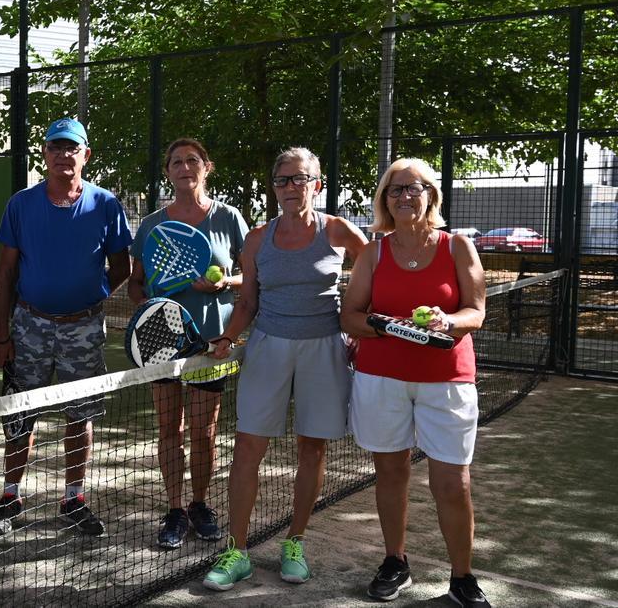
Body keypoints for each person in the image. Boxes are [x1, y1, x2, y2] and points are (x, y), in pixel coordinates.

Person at [203, 147, 367, 591]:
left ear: (317, 183)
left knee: (312, 449)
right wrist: (229, 336)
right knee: (247, 447)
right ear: (274, 187)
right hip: (268, 347)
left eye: (300, 179)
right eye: (283, 180)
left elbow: (375, 273)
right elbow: (248, 300)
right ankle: (236, 551)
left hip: (324, 350)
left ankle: (294, 542)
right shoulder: (257, 238)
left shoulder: (338, 230)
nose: (291, 188)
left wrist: (360, 322)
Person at [340, 158, 489, 607]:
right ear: (385, 200)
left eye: (414, 188)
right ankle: (395, 561)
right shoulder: (374, 251)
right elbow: (350, 315)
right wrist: (381, 326)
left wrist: (448, 320)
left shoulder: (457, 246)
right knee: (390, 471)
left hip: (446, 380)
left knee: (453, 482)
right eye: (394, 190)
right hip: (380, 378)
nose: (405, 196)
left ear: (431, 195)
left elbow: (476, 312)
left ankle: (462, 578)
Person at [0, 117, 133, 537]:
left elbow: (121, 266)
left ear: (86, 155)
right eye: (55, 148)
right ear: (45, 155)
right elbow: (5, 274)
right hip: (28, 326)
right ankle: (10, 497)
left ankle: (73, 498)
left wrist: (91, 293)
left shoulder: (105, 204)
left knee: (80, 414)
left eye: (72, 148)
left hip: (85, 329)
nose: (63, 155)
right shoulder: (21, 204)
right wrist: (1, 336)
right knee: (19, 415)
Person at [127, 138, 248, 549]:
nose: (184, 167)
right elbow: (136, 283)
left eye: (192, 160)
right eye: (175, 161)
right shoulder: (151, 224)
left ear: (206, 167)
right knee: (168, 428)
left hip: (212, 342)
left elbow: (252, 277)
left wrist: (222, 281)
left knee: (204, 430)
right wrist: (149, 307)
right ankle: (175, 510)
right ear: (168, 171)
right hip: (163, 341)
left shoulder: (229, 218)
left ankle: (200, 504)